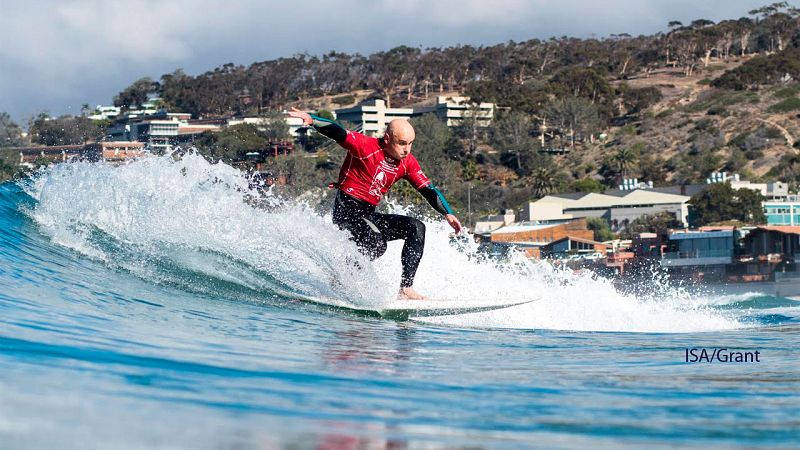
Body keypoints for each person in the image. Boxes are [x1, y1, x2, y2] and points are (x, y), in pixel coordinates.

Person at [288, 107, 462, 300]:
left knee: (416, 227)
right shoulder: (365, 146)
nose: (407, 149)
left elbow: (427, 189)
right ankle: (340, 278)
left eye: (410, 144)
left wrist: (447, 212)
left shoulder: (407, 163)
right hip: (346, 209)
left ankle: (405, 289)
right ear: (387, 139)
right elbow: (338, 131)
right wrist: (312, 120)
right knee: (376, 243)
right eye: (402, 143)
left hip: (368, 213)